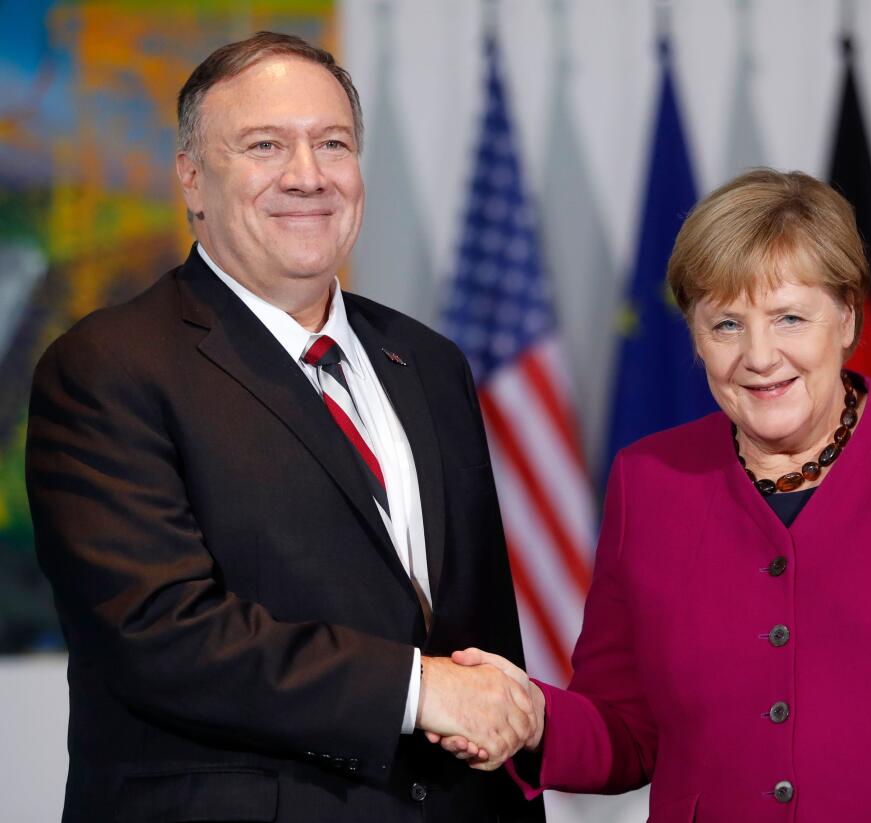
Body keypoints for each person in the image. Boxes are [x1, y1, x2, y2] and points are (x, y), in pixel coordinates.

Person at [440, 169, 871, 820]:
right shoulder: (649, 480)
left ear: (846, 316)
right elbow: (628, 731)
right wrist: (532, 718)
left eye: (789, 317)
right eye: (726, 324)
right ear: (695, 337)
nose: (759, 355)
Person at [25, 32, 543, 823]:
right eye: (265, 145)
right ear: (192, 180)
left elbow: (480, 640)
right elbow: (160, 634)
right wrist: (417, 688)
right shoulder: (106, 367)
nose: (308, 175)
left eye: (331, 143)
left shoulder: (429, 362)